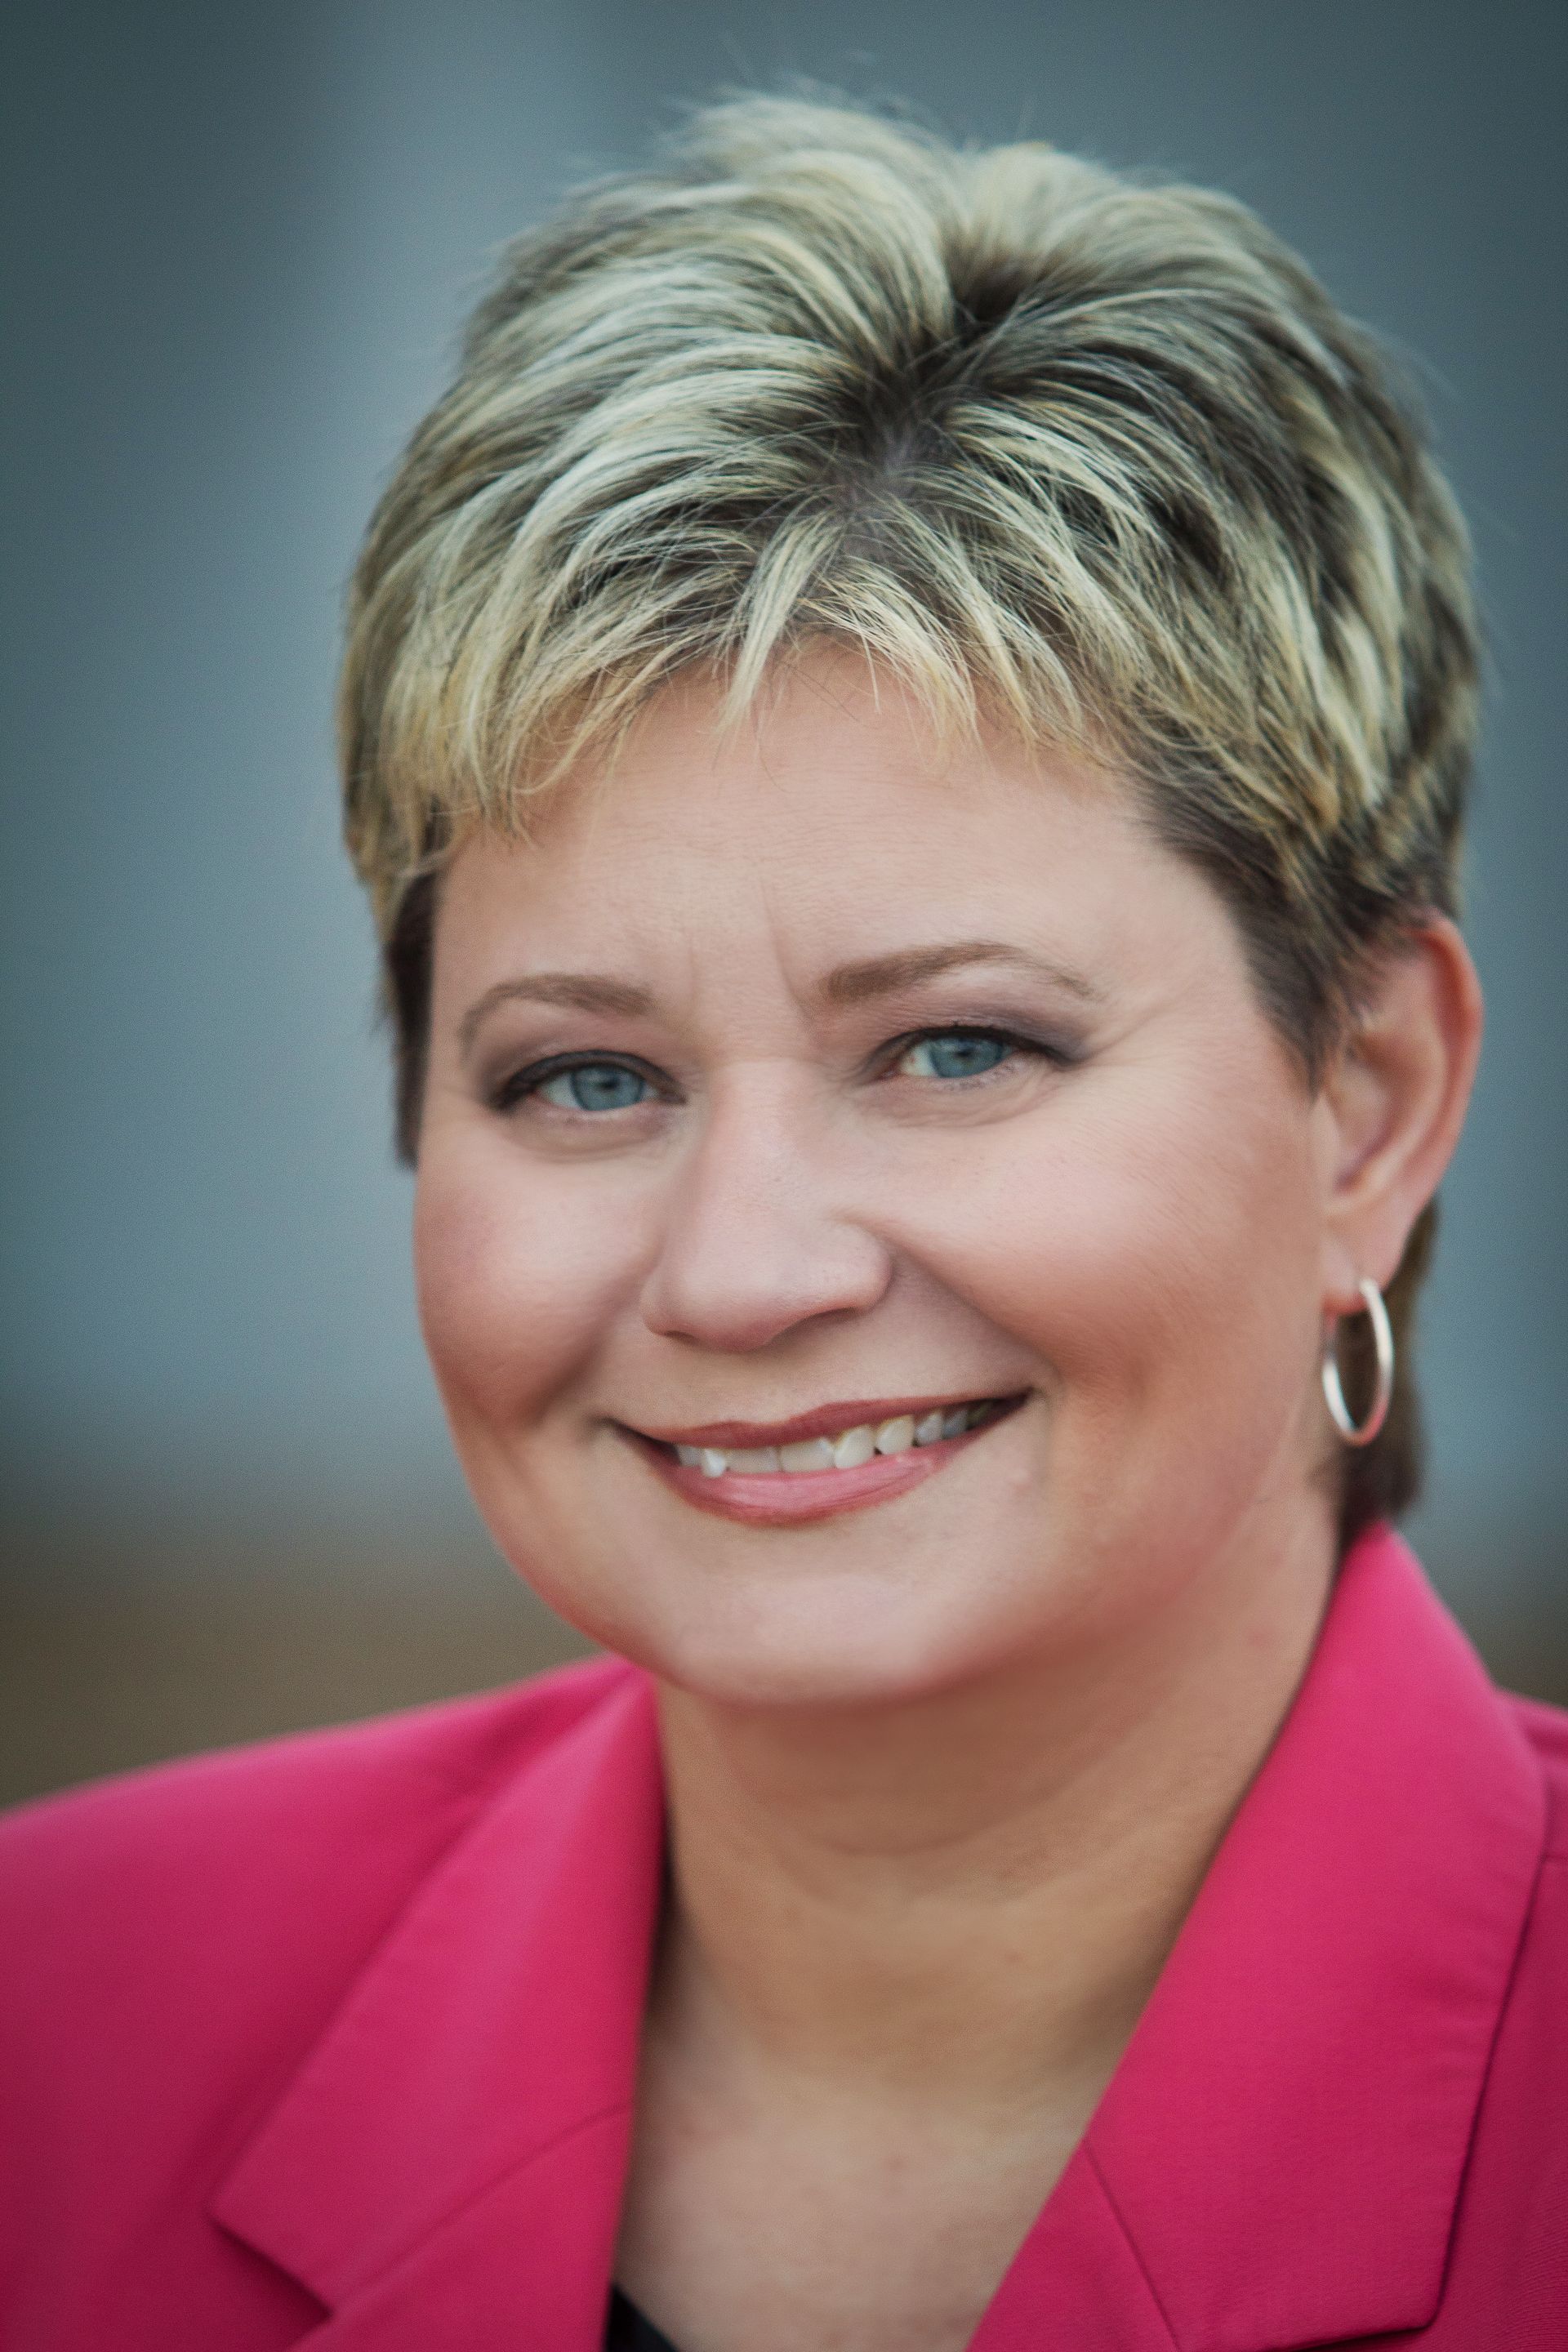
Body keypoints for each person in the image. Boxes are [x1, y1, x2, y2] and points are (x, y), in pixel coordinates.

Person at [2, 93, 1563, 2352]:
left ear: (1368, 1100)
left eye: (955, 1050)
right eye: (587, 1078)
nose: (740, 1270)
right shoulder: (53, 2031)